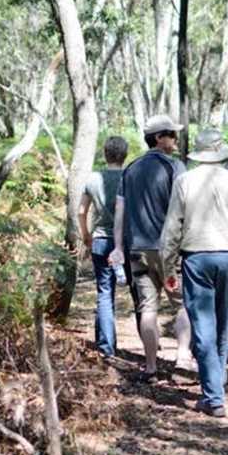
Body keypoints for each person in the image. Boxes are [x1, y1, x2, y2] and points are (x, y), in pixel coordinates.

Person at [160, 129, 228, 417]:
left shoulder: (184, 181)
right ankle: (217, 388)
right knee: (222, 323)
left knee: (203, 325)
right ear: (221, 153)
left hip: (197, 259)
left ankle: (213, 396)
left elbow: (171, 230)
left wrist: (167, 267)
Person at [109, 115, 191, 382]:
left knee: (148, 308)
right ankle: (181, 357)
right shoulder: (175, 167)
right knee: (182, 304)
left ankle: (151, 367)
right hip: (168, 252)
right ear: (159, 138)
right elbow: (186, 207)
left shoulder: (130, 170)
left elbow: (119, 212)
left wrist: (118, 246)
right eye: (172, 134)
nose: (176, 140)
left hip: (137, 251)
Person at [79, 136, 128, 358]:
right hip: (126, 243)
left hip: (100, 239)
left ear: (105, 154)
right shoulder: (129, 177)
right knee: (139, 294)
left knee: (104, 292)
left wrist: (86, 236)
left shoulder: (93, 178)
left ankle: (106, 346)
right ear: (124, 155)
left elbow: (81, 211)